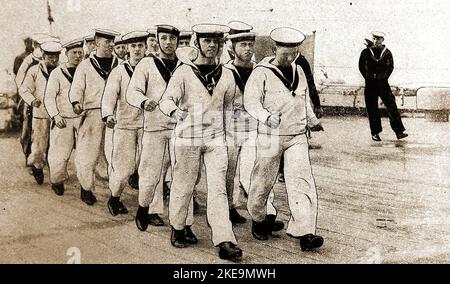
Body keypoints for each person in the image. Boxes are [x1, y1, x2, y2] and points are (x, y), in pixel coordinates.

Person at [159, 23, 243, 260]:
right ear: (197, 43)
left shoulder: (227, 74)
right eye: (207, 41)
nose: (212, 46)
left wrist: (230, 136)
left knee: (217, 189)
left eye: (216, 42)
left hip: (215, 139)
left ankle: (225, 240)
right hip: (187, 137)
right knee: (184, 184)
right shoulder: (184, 72)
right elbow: (167, 100)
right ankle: (178, 226)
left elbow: (229, 107)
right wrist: (175, 112)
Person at [244, 27, 324, 251]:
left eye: (294, 53)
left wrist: (312, 120)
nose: (289, 57)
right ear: (273, 49)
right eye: (285, 53)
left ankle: (306, 232)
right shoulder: (261, 72)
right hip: (270, 135)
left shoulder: (298, 70)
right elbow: (251, 102)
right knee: (262, 181)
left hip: (296, 136)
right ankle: (259, 219)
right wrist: (265, 117)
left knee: (302, 181)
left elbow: (303, 100)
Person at [127, 25, 191, 229]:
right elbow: (133, 91)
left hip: (180, 128)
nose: (168, 42)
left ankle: (183, 225)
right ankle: (145, 208)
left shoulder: (185, 65)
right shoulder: (147, 64)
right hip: (155, 127)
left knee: (184, 176)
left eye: (172, 39)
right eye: (164, 38)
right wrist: (144, 101)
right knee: (151, 174)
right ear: (156, 40)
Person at [222, 21, 282, 231]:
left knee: (255, 170)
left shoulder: (260, 70)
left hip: (253, 128)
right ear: (232, 47)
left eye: (250, 44)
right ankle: (228, 208)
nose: (247, 49)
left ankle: (265, 213)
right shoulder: (225, 71)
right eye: (242, 45)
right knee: (228, 172)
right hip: (229, 128)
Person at [69, 28, 120, 205]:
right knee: (87, 153)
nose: (111, 45)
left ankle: (115, 192)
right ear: (97, 42)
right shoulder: (85, 65)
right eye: (107, 41)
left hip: (115, 114)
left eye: (112, 41)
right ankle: (86, 188)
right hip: (93, 112)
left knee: (114, 153)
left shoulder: (119, 64)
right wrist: (76, 102)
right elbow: (77, 87)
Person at [101, 31, 148, 216]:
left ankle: (147, 208)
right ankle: (115, 197)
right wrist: (108, 115)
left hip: (147, 126)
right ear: (127, 48)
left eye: (140, 46)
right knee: (124, 166)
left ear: (145, 47)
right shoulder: (119, 72)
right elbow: (109, 96)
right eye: (133, 46)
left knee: (147, 166)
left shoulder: (150, 69)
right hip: (125, 125)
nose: (137, 49)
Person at [44, 38, 84, 196]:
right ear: (67, 54)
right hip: (64, 119)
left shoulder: (85, 70)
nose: (78, 56)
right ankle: (57, 180)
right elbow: (49, 97)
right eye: (74, 53)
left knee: (84, 154)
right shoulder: (57, 73)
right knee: (60, 153)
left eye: (80, 53)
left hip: (82, 118)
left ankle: (85, 186)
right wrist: (55, 115)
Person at [19, 41, 62, 185]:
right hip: (41, 114)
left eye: (56, 57)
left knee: (57, 146)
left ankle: (56, 175)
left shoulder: (62, 70)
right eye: (50, 57)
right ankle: (37, 167)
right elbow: (24, 89)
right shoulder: (34, 71)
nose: (53, 60)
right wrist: (32, 100)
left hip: (58, 114)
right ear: (43, 56)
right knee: (39, 145)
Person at [358, 31, 407, 141]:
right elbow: (361, 67)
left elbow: (390, 67)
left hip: (383, 83)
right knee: (372, 108)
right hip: (370, 83)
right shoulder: (365, 52)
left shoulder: (387, 53)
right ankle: (375, 133)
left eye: (378, 39)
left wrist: (382, 77)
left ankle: (399, 131)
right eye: (374, 38)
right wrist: (368, 77)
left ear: (382, 40)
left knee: (392, 106)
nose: (376, 40)